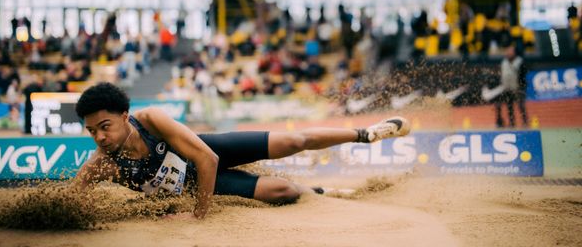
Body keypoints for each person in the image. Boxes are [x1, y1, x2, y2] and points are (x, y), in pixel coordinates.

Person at [73, 82, 410, 219]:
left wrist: (198, 216)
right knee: (285, 191)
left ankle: (365, 133)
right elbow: (73, 199)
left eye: (105, 127)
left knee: (291, 141)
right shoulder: (102, 164)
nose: (100, 137)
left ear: (124, 117)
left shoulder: (150, 119)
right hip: (199, 186)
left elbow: (207, 158)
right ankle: (318, 190)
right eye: (92, 132)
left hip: (209, 152)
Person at [495, 45, 528, 128]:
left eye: (510, 51)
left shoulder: (520, 61)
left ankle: (525, 122)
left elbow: (523, 75)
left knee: (521, 105)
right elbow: (501, 74)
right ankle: (512, 123)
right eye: (507, 51)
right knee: (509, 106)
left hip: (518, 87)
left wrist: (520, 86)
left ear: (514, 52)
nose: (508, 53)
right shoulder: (504, 62)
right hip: (507, 87)